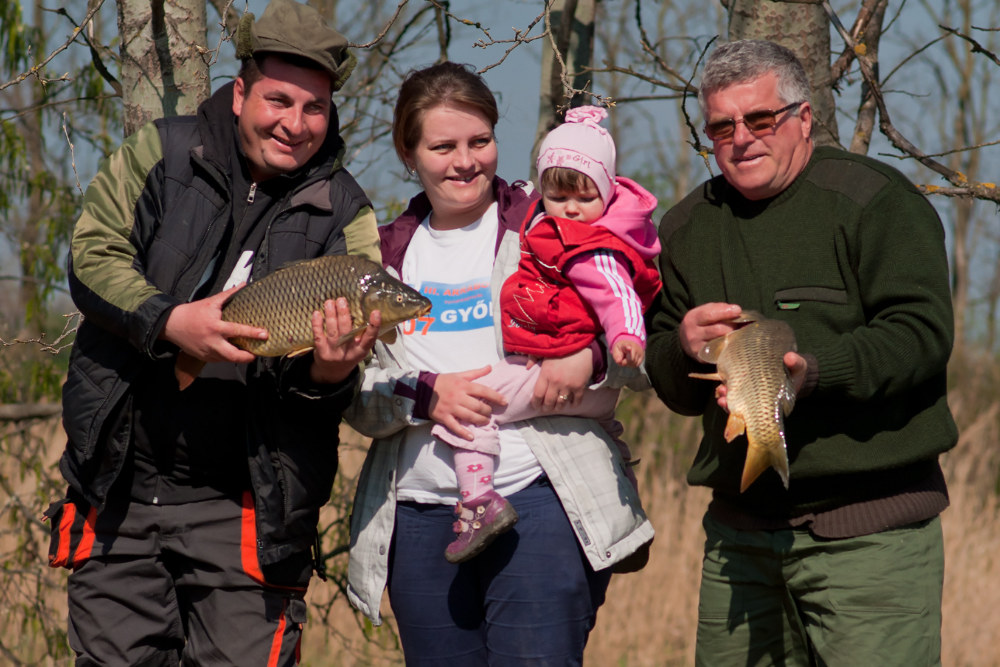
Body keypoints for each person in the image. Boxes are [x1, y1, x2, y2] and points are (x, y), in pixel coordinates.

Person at [43, 1, 381, 664]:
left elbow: (333, 390)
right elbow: (91, 253)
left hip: (250, 505)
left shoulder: (346, 212)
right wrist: (170, 322)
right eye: (278, 100)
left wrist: (332, 371)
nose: (295, 124)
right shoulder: (162, 152)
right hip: (119, 489)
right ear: (239, 93)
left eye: (314, 108)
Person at [644, 39, 958, 666]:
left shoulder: (875, 200)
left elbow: (920, 333)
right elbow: (669, 381)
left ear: (804, 118)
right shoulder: (685, 227)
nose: (741, 138)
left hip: (872, 534)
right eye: (722, 126)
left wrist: (812, 373)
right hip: (740, 536)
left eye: (760, 119)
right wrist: (682, 347)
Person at [344, 62, 653, 665]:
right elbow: (353, 395)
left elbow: (638, 337)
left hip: (540, 497)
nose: (465, 162)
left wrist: (589, 358)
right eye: (443, 147)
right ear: (409, 154)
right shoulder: (379, 258)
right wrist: (425, 396)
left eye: (479, 141)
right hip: (419, 512)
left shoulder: (552, 223)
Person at [429, 105, 661, 564]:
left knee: (471, 407)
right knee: (605, 432)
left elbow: (618, 295)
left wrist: (625, 339)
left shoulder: (589, 246)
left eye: (585, 197)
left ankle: (478, 502)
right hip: (574, 380)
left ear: (608, 192)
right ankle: (624, 512)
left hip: (561, 371)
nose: (571, 208)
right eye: (558, 196)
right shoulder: (553, 229)